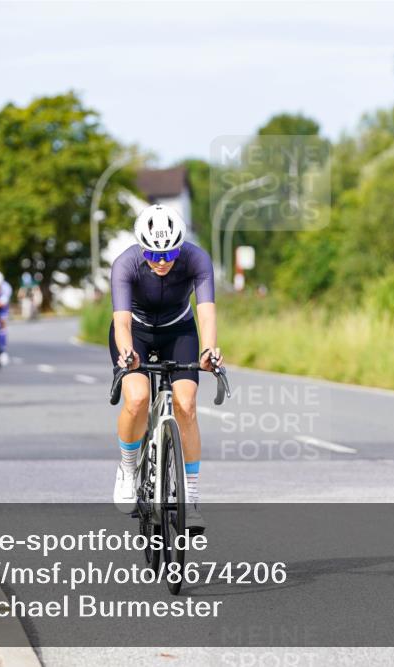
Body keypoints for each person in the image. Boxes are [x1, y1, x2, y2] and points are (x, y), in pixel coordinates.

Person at [109, 204, 222, 532]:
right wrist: (128, 352)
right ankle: (128, 469)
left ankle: (192, 497)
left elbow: (207, 313)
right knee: (137, 398)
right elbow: (121, 321)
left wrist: (209, 350)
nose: (161, 261)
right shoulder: (125, 264)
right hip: (137, 333)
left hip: (178, 330)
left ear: (180, 246)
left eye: (170, 253)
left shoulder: (197, 260)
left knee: (186, 404)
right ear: (141, 248)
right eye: (153, 254)